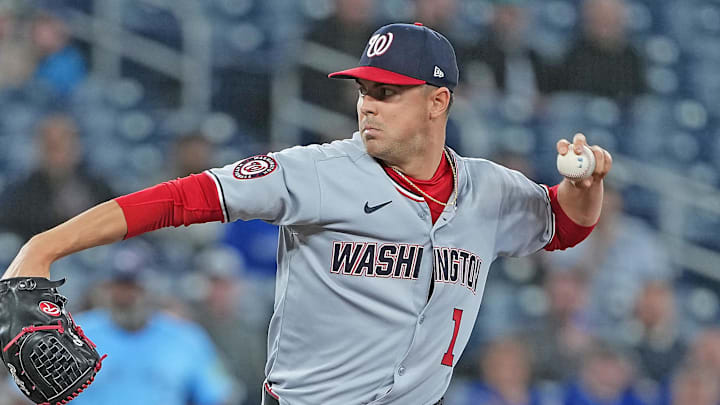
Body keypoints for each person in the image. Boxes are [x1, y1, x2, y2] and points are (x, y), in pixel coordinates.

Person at [2, 23, 612, 405]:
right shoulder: (316, 171)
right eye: (364, 89)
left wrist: (589, 183)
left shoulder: (490, 191)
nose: (367, 105)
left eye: (387, 92)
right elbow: (181, 199)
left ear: (438, 101)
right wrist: (43, 247)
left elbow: (565, 225)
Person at [20, 249, 235, 405]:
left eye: (134, 288)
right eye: (119, 287)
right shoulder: (69, 336)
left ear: (151, 291)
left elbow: (221, 396)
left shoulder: (186, 338)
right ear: (105, 290)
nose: (126, 297)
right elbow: (20, 396)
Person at [0, 114, 115, 241]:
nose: (58, 153)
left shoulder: (97, 186)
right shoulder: (18, 193)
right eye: (51, 146)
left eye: (63, 143)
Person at [549, 0, 645, 100]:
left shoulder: (633, 58)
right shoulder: (572, 56)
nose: (604, 22)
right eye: (599, 16)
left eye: (609, 17)